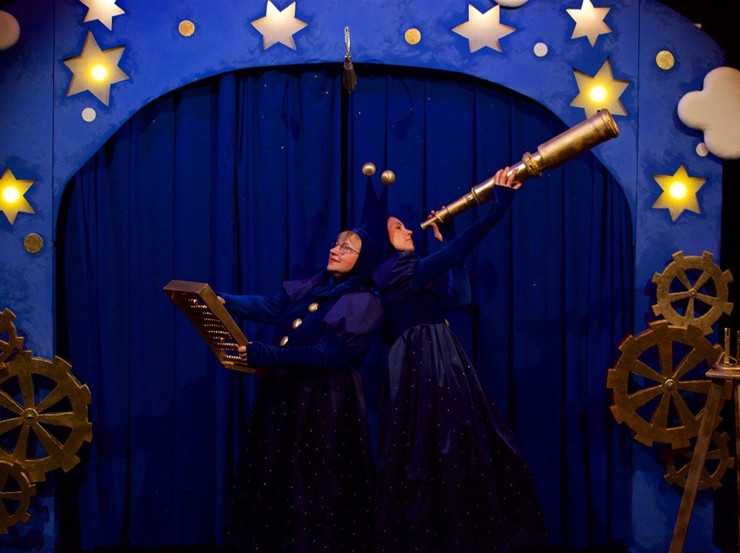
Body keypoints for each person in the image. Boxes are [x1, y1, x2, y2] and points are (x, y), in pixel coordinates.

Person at [373, 168, 548, 553]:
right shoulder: (391, 271)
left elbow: (460, 295)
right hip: (423, 364)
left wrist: (449, 236)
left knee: (457, 447)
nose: (408, 230)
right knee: (430, 453)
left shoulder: (411, 274)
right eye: (397, 227)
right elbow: (453, 256)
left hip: (440, 361)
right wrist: (498, 208)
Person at [219, 226, 383, 553]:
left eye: (347, 248)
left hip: (323, 402)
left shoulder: (364, 301)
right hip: (289, 393)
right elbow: (271, 306)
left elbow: (326, 354)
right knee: (278, 476)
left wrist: (270, 355)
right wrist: (222, 300)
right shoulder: (316, 285)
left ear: (363, 260)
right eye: (336, 243)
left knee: (313, 482)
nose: (335, 250)